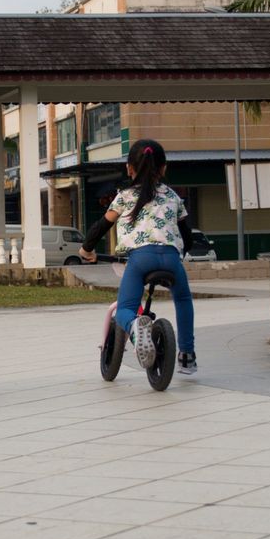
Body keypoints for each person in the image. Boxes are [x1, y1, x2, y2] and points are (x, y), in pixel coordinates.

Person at [79, 139, 197, 374]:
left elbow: (102, 225)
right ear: (163, 168)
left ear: (129, 168)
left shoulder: (124, 196)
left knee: (125, 308)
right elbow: (188, 235)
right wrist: (180, 253)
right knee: (183, 299)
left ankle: (135, 327)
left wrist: (86, 250)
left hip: (140, 259)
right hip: (171, 259)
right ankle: (186, 355)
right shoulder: (173, 196)